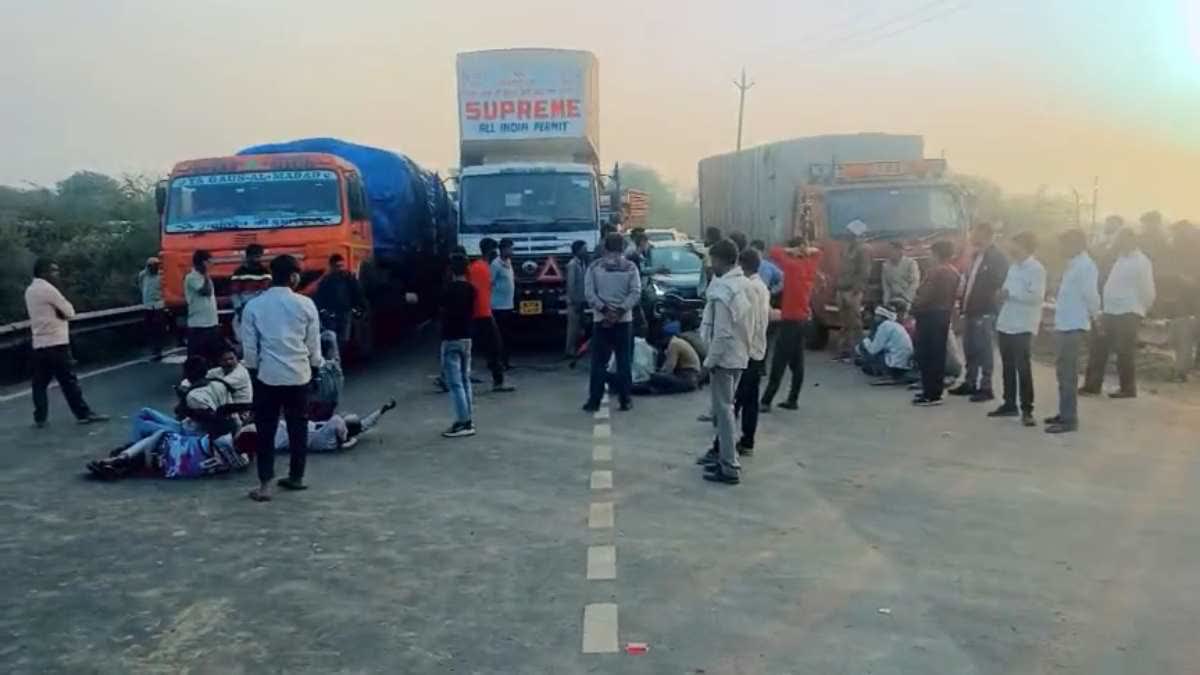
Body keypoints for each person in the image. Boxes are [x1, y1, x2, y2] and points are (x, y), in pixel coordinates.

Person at [241, 254, 324, 502]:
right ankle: (296, 477)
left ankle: (265, 485)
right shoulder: (306, 304)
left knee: (266, 431)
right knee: (298, 427)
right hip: (299, 375)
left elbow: (250, 348)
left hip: (267, 376)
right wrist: (315, 366)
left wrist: (254, 370)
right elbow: (313, 344)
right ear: (294, 277)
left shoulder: (254, 306)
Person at [696, 239, 753, 485]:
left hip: (724, 359)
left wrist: (708, 363)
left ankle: (729, 465)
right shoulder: (745, 284)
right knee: (726, 410)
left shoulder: (724, 291)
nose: (711, 265)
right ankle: (725, 460)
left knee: (724, 412)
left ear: (720, 260)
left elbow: (721, 333)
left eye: (713, 260)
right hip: (739, 355)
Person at [25, 258, 107, 428]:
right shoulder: (49, 289)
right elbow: (69, 312)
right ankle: (83, 414)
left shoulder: (30, 290)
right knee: (68, 381)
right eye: (53, 271)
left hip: (39, 343)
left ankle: (40, 417)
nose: (57, 274)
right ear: (44, 272)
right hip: (57, 342)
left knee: (39, 383)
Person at [1080, 228, 1156, 399]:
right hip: (1110, 310)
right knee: (1098, 347)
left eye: (1122, 240)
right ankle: (1092, 385)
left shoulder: (1142, 262)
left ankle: (1128, 389)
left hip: (1129, 311)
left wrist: (1140, 310)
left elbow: (1147, 290)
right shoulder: (1120, 259)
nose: (1119, 244)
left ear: (1131, 241)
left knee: (1124, 351)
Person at [988, 231, 1047, 427]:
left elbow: (1036, 297)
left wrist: (1010, 294)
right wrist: (1000, 295)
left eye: (1017, 245)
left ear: (1026, 246)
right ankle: (1009, 403)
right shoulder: (1013, 267)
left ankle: (1027, 409)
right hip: (1007, 321)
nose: (1013, 248)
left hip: (1023, 325)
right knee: (1007, 366)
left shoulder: (1036, 269)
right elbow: (1006, 291)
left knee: (1023, 368)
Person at [1045, 229, 1101, 434]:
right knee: (1062, 373)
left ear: (1076, 244)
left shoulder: (1086, 266)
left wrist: (1095, 316)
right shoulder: (1074, 265)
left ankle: (1069, 419)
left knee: (1068, 374)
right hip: (1065, 323)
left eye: (1064, 244)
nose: (1061, 248)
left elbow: (1091, 296)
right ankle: (1064, 412)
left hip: (1073, 325)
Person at [582, 232, 642, 412]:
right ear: (623, 247)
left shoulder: (594, 267)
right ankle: (625, 400)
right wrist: (620, 311)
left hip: (601, 321)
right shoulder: (630, 267)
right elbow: (636, 292)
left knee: (599, 363)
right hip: (624, 321)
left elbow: (589, 294)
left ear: (605, 247)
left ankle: (594, 401)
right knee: (624, 361)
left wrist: (605, 311)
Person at [761, 239, 821, 411]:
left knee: (779, 361)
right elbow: (818, 252)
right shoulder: (810, 263)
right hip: (803, 319)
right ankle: (793, 399)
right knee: (796, 362)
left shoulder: (792, 265)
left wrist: (791, 251)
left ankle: (766, 401)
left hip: (790, 321)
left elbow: (774, 251)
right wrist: (805, 250)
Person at [951, 222, 1009, 401]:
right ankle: (970, 381)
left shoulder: (997, 258)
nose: (971, 236)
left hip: (985, 311)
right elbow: (969, 282)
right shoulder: (976, 255)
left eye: (975, 233)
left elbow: (998, 284)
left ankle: (986, 386)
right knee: (970, 348)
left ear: (985, 234)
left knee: (984, 349)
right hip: (970, 309)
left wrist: (989, 304)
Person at [727, 247, 771, 456]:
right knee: (749, 400)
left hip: (747, 351)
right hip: (758, 350)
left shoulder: (748, 288)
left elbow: (746, 323)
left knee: (734, 402)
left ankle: (722, 447)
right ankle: (747, 442)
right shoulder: (761, 286)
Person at [912, 241, 961, 406]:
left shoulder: (936, 272)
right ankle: (933, 391)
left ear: (937, 254)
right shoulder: (954, 272)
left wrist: (914, 305)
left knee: (927, 355)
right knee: (938, 355)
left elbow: (925, 295)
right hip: (943, 314)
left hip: (929, 315)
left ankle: (930, 393)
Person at [248, 399, 397, 453]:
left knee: (260, 435)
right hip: (292, 433)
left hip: (287, 436)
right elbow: (364, 425)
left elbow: (348, 430)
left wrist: (349, 441)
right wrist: (382, 410)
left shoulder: (335, 427)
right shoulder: (334, 439)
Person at [468, 238, 513, 393]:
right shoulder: (485, 268)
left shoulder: (475, 267)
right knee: (494, 347)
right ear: (491, 251)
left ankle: (458, 374)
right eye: (496, 250)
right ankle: (498, 382)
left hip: (477, 312)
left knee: (471, 345)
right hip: (484, 313)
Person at [441, 253, 478, 438]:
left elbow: (441, 310)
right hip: (466, 338)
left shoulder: (447, 290)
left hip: (451, 338)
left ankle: (463, 423)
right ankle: (468, 419)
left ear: (451, 270)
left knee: (455, 384)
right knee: (465, 380)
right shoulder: (472, 289)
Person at [313, 253, 367, 345]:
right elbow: (319, 298)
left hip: (346, 313)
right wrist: (323, 312)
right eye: (337, 266)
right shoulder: (326, 281)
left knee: (344, 339)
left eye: (342, 266)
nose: (340, 268)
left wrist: (359, 309)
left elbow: (358, 294)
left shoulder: (349, 278)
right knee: (333, 339)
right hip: (331, 314)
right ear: (332, 267)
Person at [834, 230, 869, 360]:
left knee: (856, 322)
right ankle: (845, 351)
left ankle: (860, 350)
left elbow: (864, 272)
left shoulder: (862, 250)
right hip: (842, 289)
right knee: (844, 323)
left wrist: (857, 289)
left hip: (852, 291)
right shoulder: (846, 249)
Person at [857, 302, 914, 381]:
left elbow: (873, 350)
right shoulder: (895, 325)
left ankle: (880, 369)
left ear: (882, 316)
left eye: (877, 315)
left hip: (895, 364)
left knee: (864, 347)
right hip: (903, 362)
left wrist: (865, 341)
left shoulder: (885, 326)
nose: (875, 317)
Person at [184, 250, 221, 362]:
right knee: (197, 357)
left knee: (213, 357)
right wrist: (205, 274)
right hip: (198, 325)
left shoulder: (206, 277)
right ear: (203, 263)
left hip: (211, 322)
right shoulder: (191, 277)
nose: (211, 264)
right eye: (209, 262)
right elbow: (206, 291)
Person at [230, 244, 272, 341]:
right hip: (244, 308)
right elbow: (234, 293)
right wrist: (239, 309)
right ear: (248, 256)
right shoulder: (239, 272)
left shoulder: (265, 272)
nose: (257, 259)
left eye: (258, 256)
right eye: (255, 256)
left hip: (261, 310)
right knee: (244, 338)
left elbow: (267, 292)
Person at [490, 238, 516, 370]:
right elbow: (490, 282)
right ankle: (498, 362)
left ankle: (506, 361)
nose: (512, 251)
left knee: (507, 336)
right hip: (498, 306)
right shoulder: (495, 264)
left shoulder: (508, 262)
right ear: (503, 249)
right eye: (510, 249)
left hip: (508, 305)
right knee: (499, 336)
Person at [137, 256, 167, 360]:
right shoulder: (143, 275)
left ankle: (158, 350)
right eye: (152, 266)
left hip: (158, 305)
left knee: (158, 328)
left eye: (156, 265)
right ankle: (153, 349)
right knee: (149, 329)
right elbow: (141, 286)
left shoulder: (161, 275)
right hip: (147, 305)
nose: (154, 267)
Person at [564, 240, 590, 359]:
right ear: (578, 251)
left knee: (579, 327)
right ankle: (569, 351)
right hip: (574, 302)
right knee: (573, 328)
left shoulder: (582, 263)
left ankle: (576, 349)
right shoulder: (572, 264)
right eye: (584, 249)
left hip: (581, 300)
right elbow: (571, 285)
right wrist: (574, 301)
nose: (586, 251)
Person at [881, 241, 920, 307]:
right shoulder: (886, 266)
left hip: (907, 298)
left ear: (899, 251)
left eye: (892, 250)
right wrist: (886, 302)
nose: (890, 252)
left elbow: (914, 283)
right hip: (893, 299)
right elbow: (886, 287)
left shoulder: (911, 263)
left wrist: (907, 298)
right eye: (889, 250)